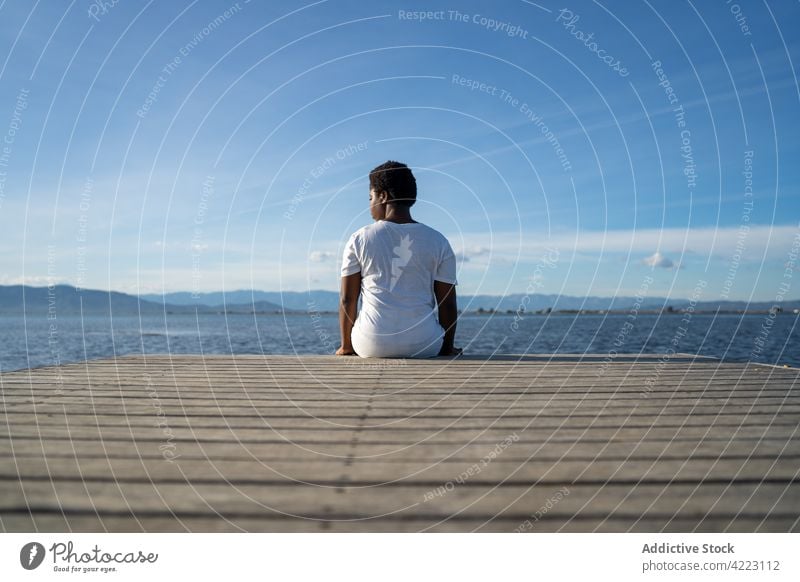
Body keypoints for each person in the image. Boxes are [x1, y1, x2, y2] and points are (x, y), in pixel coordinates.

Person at [335, 161, 462, 358]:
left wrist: (346, 347)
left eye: (371, 198)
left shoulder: (359, 238)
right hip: (425, 345)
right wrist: (446, 348)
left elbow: (348, 298)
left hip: (370, 344)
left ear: (383, 196)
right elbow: (447, 303)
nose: (370, 206)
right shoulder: (439, 241)